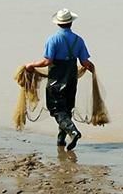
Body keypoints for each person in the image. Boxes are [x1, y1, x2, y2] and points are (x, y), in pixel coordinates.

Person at [25, 8, 94, 151]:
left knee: (56, 109)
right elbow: (85, 63)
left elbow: (47, 61)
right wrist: (93, 70)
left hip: (57, 78)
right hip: (71, 78)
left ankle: (73, 132)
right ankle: (61, 140)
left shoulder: (53, 39)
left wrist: (31, 65)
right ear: (71, 23)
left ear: (58, 23)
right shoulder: (78, 40)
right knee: (67, 109)